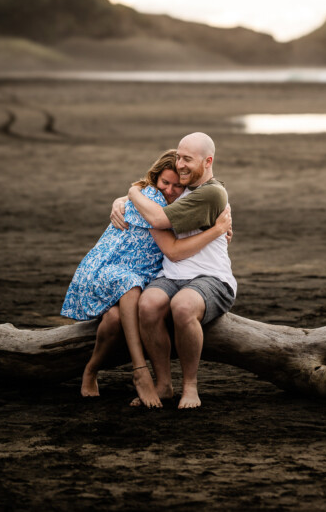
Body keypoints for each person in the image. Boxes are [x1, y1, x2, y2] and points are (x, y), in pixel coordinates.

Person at [61, 149, 231, 406]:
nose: (171, 190)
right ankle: (142, 373)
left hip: (148, 273)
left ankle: (92, 369)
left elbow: (196, 206)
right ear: (155, 180)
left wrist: (221, 229)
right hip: (114, 268)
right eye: (165, 183)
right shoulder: (150, 198)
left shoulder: (193, 194)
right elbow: (169, 244)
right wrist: (129, 194)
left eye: (176, 184)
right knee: (135, 293)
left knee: (115, 319)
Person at [110, 131, 235, 410]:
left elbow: (157, 217)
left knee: (182, 306)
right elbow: (158, 192)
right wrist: (121, 200)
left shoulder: (212, 192)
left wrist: (131, 191)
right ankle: (164, 384)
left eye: (187, 159)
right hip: (171, 274)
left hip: (211, 278)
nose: (180, 164)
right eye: (178, 157)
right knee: (149, 304)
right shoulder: (182, 189)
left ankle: (190, 385)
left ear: (208, 161)